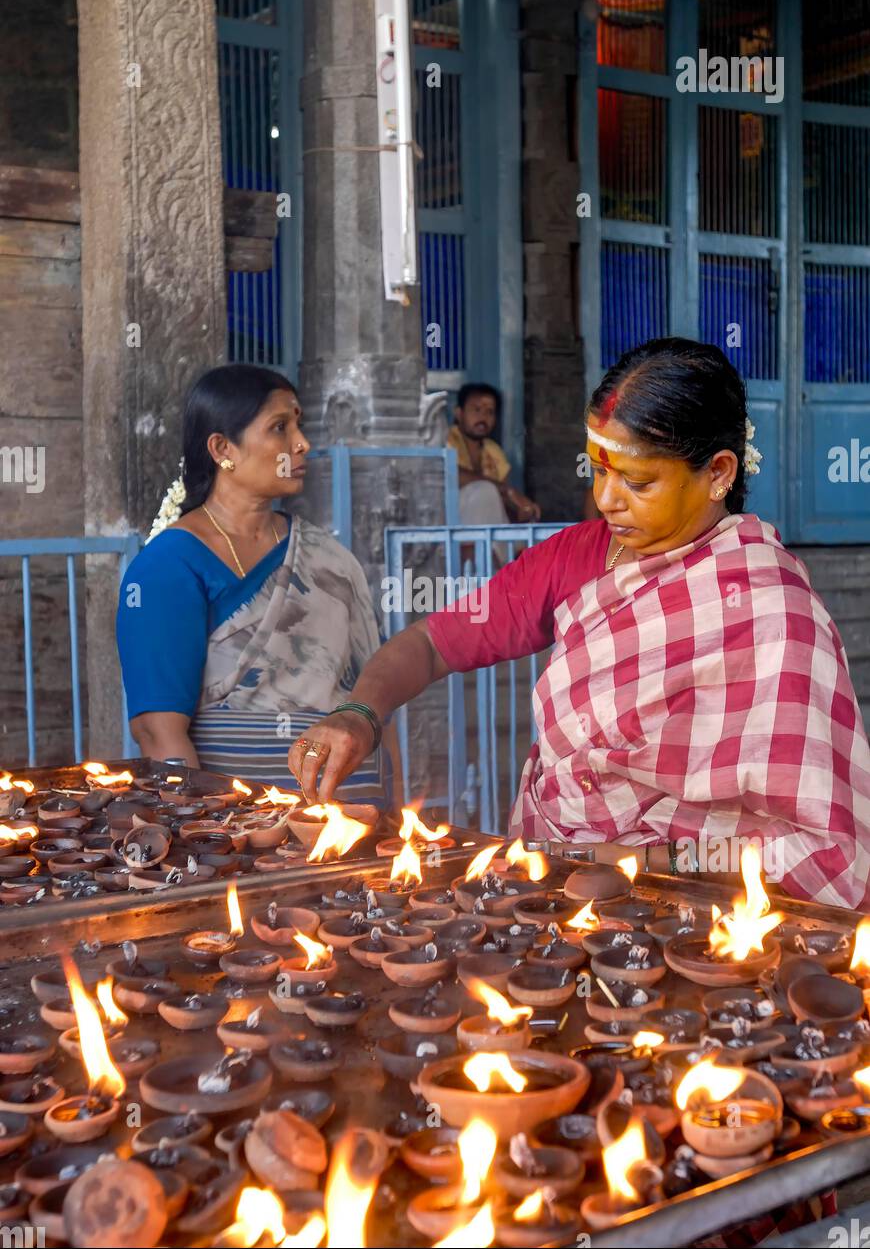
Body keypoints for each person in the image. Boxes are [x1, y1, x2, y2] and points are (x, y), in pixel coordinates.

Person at [288, 338, 870, 910]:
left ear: (717, 473)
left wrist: (635, 864)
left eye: (638, 482)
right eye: (598, 471)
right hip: (554, 890)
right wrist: (359, 713)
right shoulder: (578, 557)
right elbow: (432, 643)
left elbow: (822, 850)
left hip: (698, 923)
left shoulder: (773, 610)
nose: (608, 499)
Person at [116, 364, 394, 802]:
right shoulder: (168, 567)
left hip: (349, 819)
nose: (302, 443)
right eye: (280, 427)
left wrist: (386, 807)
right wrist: (204, 839)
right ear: (223, 448)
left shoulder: (331, 560)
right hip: (237, 837)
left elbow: (374, 700)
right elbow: (158, 733)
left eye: (298, 424)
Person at [447, 383, 541, 528]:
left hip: (488, 526)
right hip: (449, 521)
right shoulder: (445, 440)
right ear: (459, 413)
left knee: (537, 537)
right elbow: (448, 474)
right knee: (485, 492)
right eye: (477, 410)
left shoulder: (494, 451)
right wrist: (507, 490)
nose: (483, 417)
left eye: (490, 412)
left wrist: (522, 509)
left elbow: (503, 502)